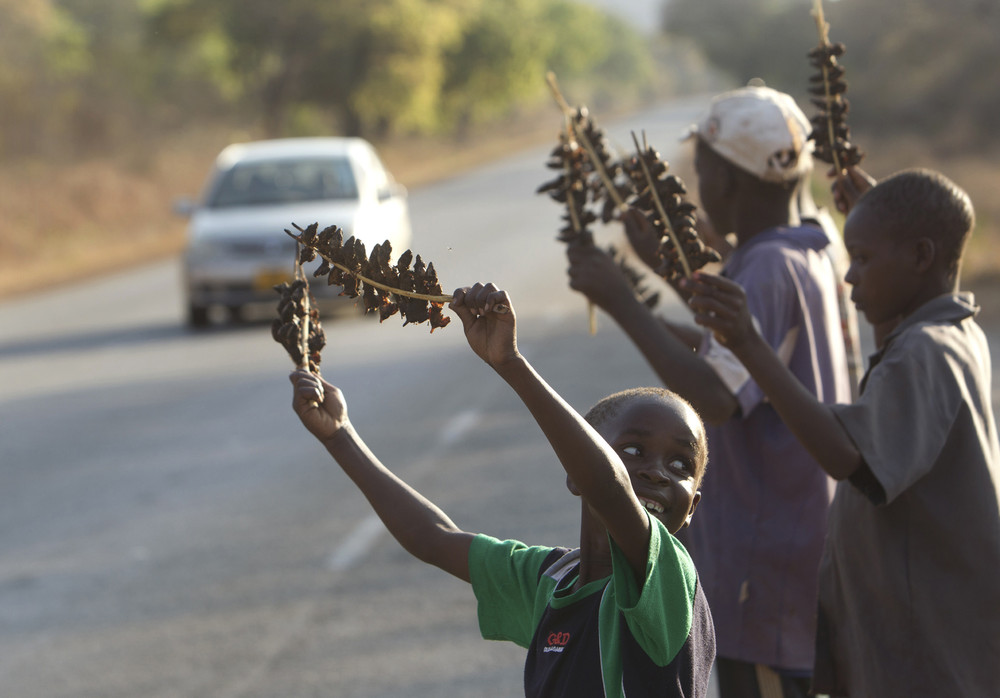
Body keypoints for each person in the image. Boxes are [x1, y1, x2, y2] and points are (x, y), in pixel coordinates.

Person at [289, 282, 716, 697]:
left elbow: (610, 488)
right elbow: (435, 538)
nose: (658, 472)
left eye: (681, 464)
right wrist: (339, 436)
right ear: (573, 472)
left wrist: (511, 363)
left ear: (693, 504)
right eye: (634, 450)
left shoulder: (670, 578)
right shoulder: (551, 579)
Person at [566, 85, 851, 697]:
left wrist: (621, 298)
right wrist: (659, 278)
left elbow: (717, 396)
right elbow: (732, 358)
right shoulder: (810, 247)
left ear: (725, 180)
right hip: (794, 542)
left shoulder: (767, 267)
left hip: (766, 553)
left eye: (703, 171)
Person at [685, 168, 1000, 696]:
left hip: (928, 656)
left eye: (863, 258)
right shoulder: (949, 332)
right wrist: (880, 232)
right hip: (928, 643)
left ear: (922, 257)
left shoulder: (926, 353)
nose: (849, 276)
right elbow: (907, 319)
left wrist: (749, 343)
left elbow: (844, 454)